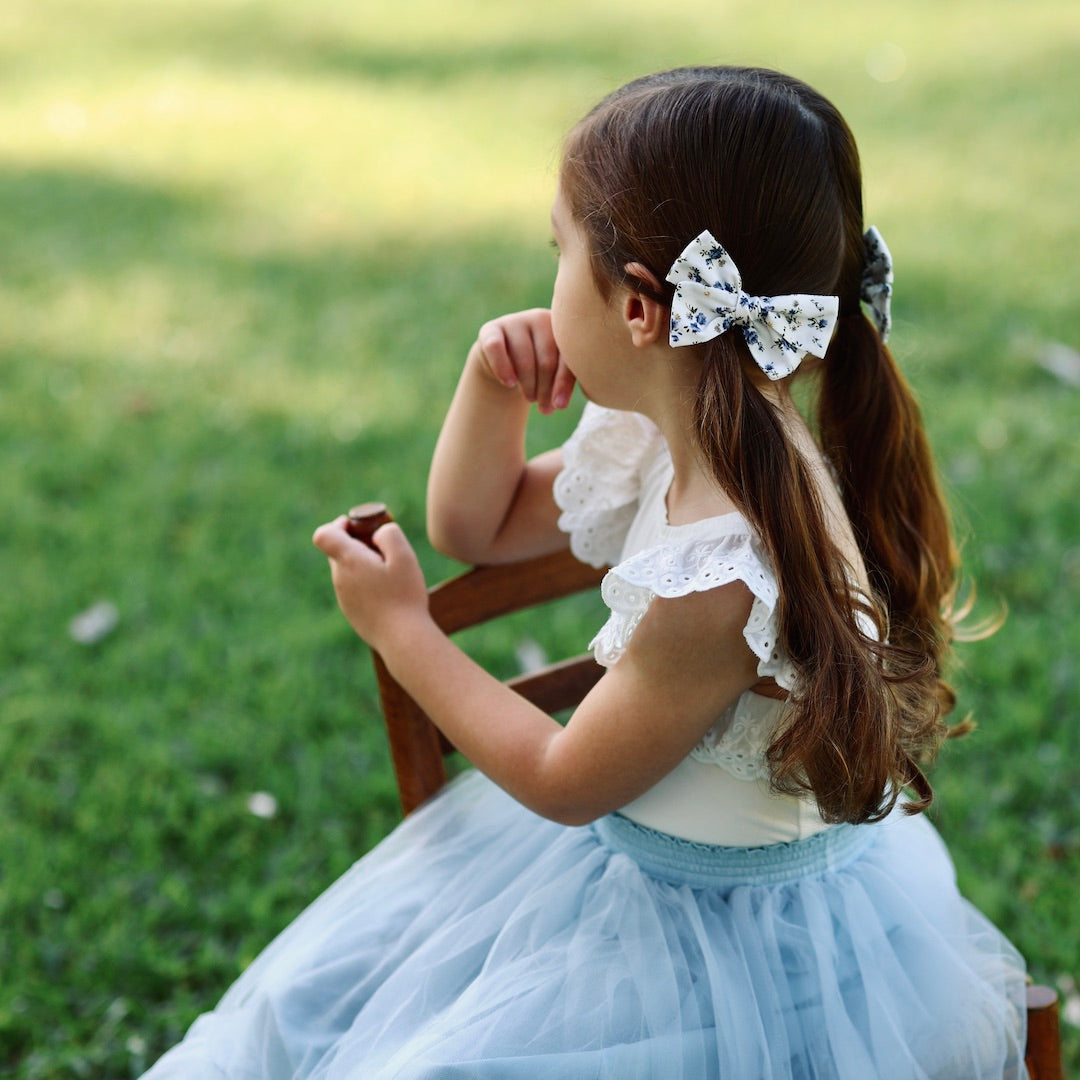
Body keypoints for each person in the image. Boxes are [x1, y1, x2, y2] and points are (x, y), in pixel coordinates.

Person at [143, 66, 1026, 1078]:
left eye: (560, 251)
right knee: (309, 1013)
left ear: (643, 309)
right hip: (639, 870)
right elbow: (475, 526)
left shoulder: (727, 568)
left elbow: (565, 782)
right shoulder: (693, 431)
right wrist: (492, 386)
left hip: (723, 953)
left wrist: (402, 632)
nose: (551, 280)